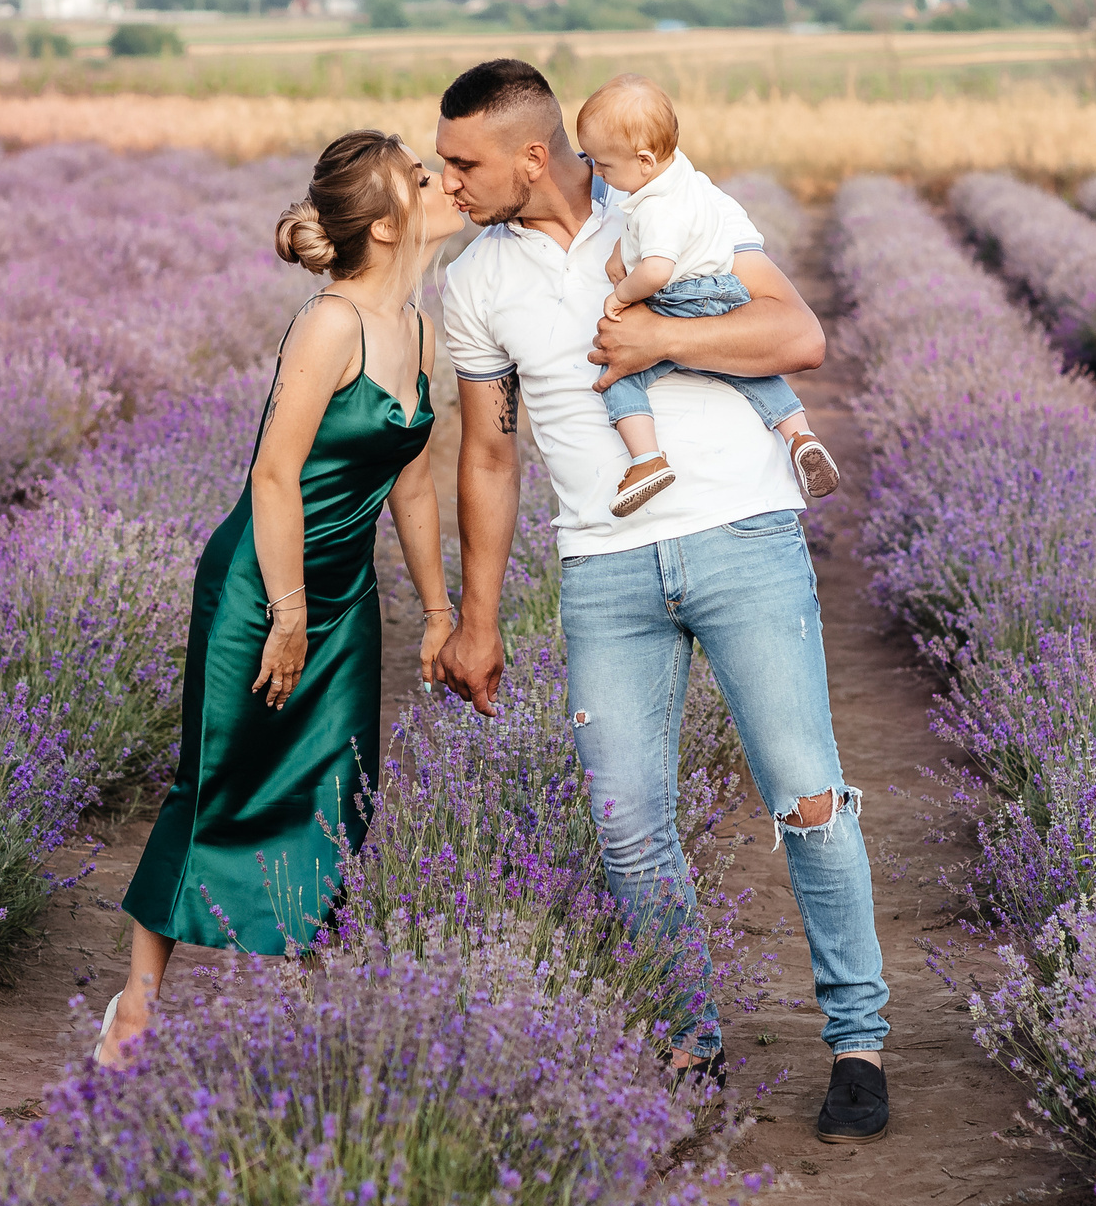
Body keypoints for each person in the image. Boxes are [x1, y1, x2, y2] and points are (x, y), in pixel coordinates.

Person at [433, 59, 891, 1144]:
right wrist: (476, 615)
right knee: (628, 824)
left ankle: (857, 1041)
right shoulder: (472, 279)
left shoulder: (674, 207)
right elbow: (489, 455)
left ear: (530, 155)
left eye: (463, 162)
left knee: (807, 797)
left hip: (741, 535)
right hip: (602, 566)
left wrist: (660, 337)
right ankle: (690, 1036)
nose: (446, 182)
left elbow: (797, 336)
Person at [97, 129, 461, 1067]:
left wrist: (440, 610)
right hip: (263, 585)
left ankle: (295, 1006)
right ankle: (135, 1005)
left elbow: (412, 484)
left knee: (331, 796)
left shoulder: (418, 327)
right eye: (423, 178)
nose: (443, 182)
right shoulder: (330, 322)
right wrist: (286, 614)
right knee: (217, 778)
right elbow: (274, 474)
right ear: (385, 226)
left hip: (343, 596)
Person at [575, 73, 841, 517]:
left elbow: (657, 269)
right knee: (750, 371)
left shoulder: (654, 208)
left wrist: (621, 294)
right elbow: (642, 219)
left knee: (620, 373)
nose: (595, 171)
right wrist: (622, 248)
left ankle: (647, 461)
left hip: (682, 295)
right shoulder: (681, 173)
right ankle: (800, 435)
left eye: (602, 164)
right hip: (724, 289)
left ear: (643, 159)